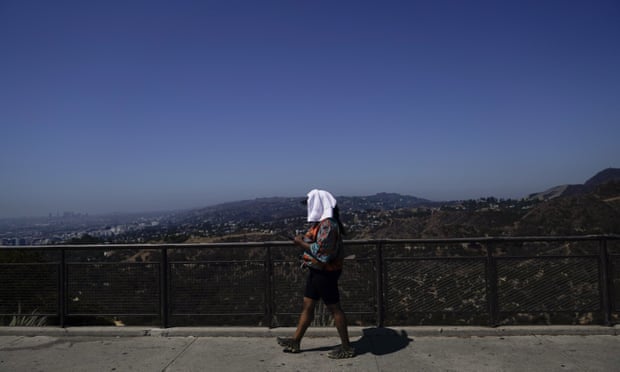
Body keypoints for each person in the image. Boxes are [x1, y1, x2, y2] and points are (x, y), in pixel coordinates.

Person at [276, 189, 356, 359]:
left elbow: (322, 253)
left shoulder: (328, 224)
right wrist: (304, 240)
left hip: (325, 273)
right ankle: (295, 341)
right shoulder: (322, 223)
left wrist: (300, 243)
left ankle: (347, 347)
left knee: (335, 309)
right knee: (308, 305)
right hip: (316, 271)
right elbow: (316, 243)